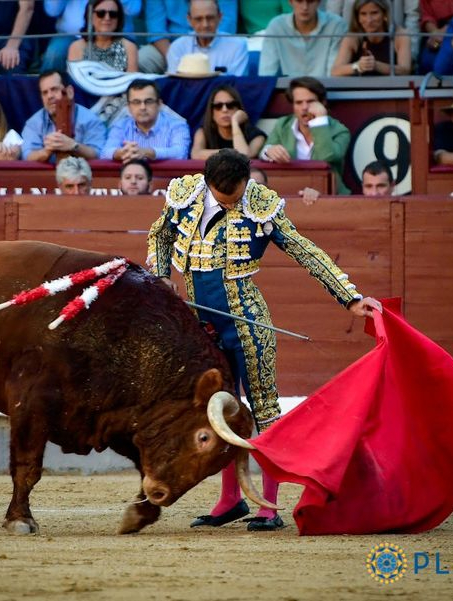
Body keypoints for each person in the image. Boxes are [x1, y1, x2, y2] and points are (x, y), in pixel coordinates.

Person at [146, 148, 382, 531]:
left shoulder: (260, 204)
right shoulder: (186, 194)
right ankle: (230, 500)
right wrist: (160, 277)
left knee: (265, 411)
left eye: (237, 195)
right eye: (224, 197)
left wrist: (349, 297)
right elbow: (161, 233)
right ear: (207, 182)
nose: (232, 202)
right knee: (218, 411)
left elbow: (303, 250)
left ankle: (269, 506)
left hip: (247, 323)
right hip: (199, 324)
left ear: (246, 180)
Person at [260, 76, 352, 194]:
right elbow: (264, 151)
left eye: (310, 102)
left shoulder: (340, 131)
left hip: (328, 197)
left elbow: (327, 157)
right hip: (290, 194)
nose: (304, 107)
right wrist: (269, 151)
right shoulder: (283, 125)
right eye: (299, 103)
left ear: (323, 103)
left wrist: (319, 121)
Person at [22, 70, 107, 163]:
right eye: (45, 92)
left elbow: (99, 154)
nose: (49, 96)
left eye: (54, 89)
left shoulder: (90, 120)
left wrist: (73, 146)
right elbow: (27, 156)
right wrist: (47, 151)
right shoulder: (34, 123)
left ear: (70, 92)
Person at [100, 79, 191, 161]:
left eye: (148, 101)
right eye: (136, 102)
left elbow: (181, 154)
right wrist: (123, 153)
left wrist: (147, 152)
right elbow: (104, 153)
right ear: (128, 107)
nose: (142, 107)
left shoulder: (178, 125)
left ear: (159, 104)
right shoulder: (120, 126)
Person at [42, 0, 140, 73]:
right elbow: (52, 11)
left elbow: (133, 9)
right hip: (70, 36)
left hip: (115, 35)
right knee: (55, 53)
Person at [139, 0, 237, 73]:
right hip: (169, 47)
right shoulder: (176, 48)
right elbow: (157, 32)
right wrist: (179, 60)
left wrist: (200, 62)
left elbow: (226, 26)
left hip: (214, 44)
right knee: (142, 59)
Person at [258, 0, 346, 77]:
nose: (305, 7)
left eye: (310, 1)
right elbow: (266, 73)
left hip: (325, 91)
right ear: (290, 1)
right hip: (289, 91)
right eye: (299, 1)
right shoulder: (276, 26)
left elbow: (333, 74)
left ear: (318, 2)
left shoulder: (336, 25)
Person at [166, 0, 248, 76]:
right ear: (189, 20)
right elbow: (175, 85)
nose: (205, 25)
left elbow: (236, 86)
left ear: (220, 17)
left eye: (210, 18)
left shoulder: (237, 47)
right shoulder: (178, 48)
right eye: (198, 19)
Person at [330, 0, 412, 76]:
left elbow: (405, 70)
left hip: (392, 88)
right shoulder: (352, 37)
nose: (369, 20)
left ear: (384, 14)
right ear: (357, 17)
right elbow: (335, 71)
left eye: (374, 13)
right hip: (360, 89)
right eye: (363, 14)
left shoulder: (400, 35)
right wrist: (358, 66)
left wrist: (376, 65)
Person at [191, 84, 266, 160]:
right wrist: (231, 152)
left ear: (238, 109)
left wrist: (235, 123)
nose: (224, 110)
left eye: (230, 105)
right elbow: (196, 154)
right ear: (211, 112)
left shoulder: (257, 136)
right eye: (218, 106)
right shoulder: (203, 132)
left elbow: (244, 155)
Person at [418, 0, 453, 74]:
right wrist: (435, 33)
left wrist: (449, 29)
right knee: (428, 61)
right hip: (437, 33)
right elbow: (426, 17)